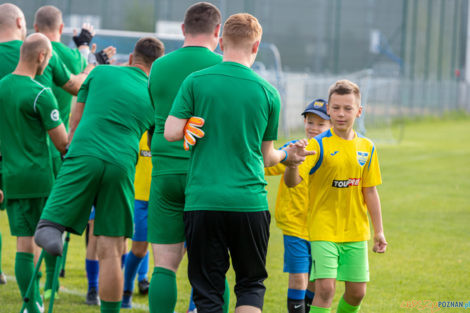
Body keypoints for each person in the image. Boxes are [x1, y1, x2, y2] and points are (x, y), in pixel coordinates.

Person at [165, 12, 312, 313]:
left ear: (220, 42)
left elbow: (170, 132)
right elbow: (268, 157)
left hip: (203, 201)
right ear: (256, 46)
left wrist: (191, 123)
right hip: (249, 203)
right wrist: (288, 156)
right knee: (250, 286)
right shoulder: (268, 93)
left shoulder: (195, 81)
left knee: (207, 292)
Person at [34, 37, 164, 313]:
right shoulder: (156, 96)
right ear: (156, 67)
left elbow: (75, 119)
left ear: (131, 58)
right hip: (121, 166)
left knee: (48, 225)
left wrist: (69, 148)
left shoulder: (100, 72)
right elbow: (156, 146)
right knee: (113, 252)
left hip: (85, 152)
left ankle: (54, 227)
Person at [146, 3, 229, 313]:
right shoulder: (222, 66)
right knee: (213, 268)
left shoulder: (159, 66)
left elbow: (157, 114)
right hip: (207, 174)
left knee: (164, 266)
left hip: (166, 172)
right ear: (218, 33)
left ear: (182, 29)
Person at [284, 80, 388, 313]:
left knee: (357, 293)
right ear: (329, 110)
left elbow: (370, 191)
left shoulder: (367, 147)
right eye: (337, 108)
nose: (342, 114)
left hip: (356, 231)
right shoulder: (317, 145)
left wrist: (379, 230)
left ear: (359, 111)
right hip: (323, 230)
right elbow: (293, 182)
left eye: (348, 108)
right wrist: (292, 164)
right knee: (325, 290)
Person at [0, 33, 68, 313]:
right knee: (46, 236)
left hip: (12, 177)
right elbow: (62, 142)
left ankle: (38, 297)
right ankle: (35, 301)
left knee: (24, 242)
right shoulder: (41, 92)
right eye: (49, 57)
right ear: (42, 56)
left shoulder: (1, 87)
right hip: (39, 178)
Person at [265, 99, 331, 313]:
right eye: (310, 122)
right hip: (294, 226)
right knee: (298, 277)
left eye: (320, 124)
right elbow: (268, 164)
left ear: (330, 126)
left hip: (323, 228)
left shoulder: (332, 153)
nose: (314, 128)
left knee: (315, 281)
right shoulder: (294, 148)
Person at [122, 131, 152, 309]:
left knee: (170, 255)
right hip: (139, 199)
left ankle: (194, 306)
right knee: (139, 250)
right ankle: (126, 292)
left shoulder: (170, 127)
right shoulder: (139, 129)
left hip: (164, 199)